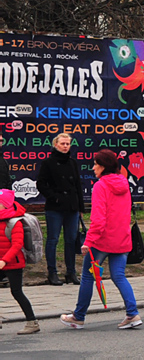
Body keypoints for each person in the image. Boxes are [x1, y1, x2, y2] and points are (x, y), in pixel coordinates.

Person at [60, 150, 141, 330]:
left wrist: (88, 241)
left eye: (96, 164)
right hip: (122, 237)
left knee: (88, 277)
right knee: (119, 276)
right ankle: (133, 313)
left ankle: (78, 316)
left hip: (102, 240)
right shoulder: (124, 183)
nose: (93, 167)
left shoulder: (101, 186)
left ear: (103, 167)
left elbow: (98, 218)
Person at [36, 133, 84, 286]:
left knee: (71, 240)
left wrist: (80, 207)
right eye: (62, 143)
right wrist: (54, 197)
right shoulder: (48, 163)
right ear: (55, 144)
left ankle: (71, 272)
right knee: (53, 240)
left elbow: (78, 186)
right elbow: (41, 184)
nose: (65, 146)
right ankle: (52, 273)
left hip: (72, 207)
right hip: (55, 208)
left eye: (67, 144)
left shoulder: (72, 163)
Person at [0, 189, 39, 334]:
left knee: (16, 291)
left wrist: (4, 261)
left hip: (13, 263)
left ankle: (32, 322)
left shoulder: (15, 222)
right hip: (2, 261)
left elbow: (17, 245)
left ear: (5, 205)